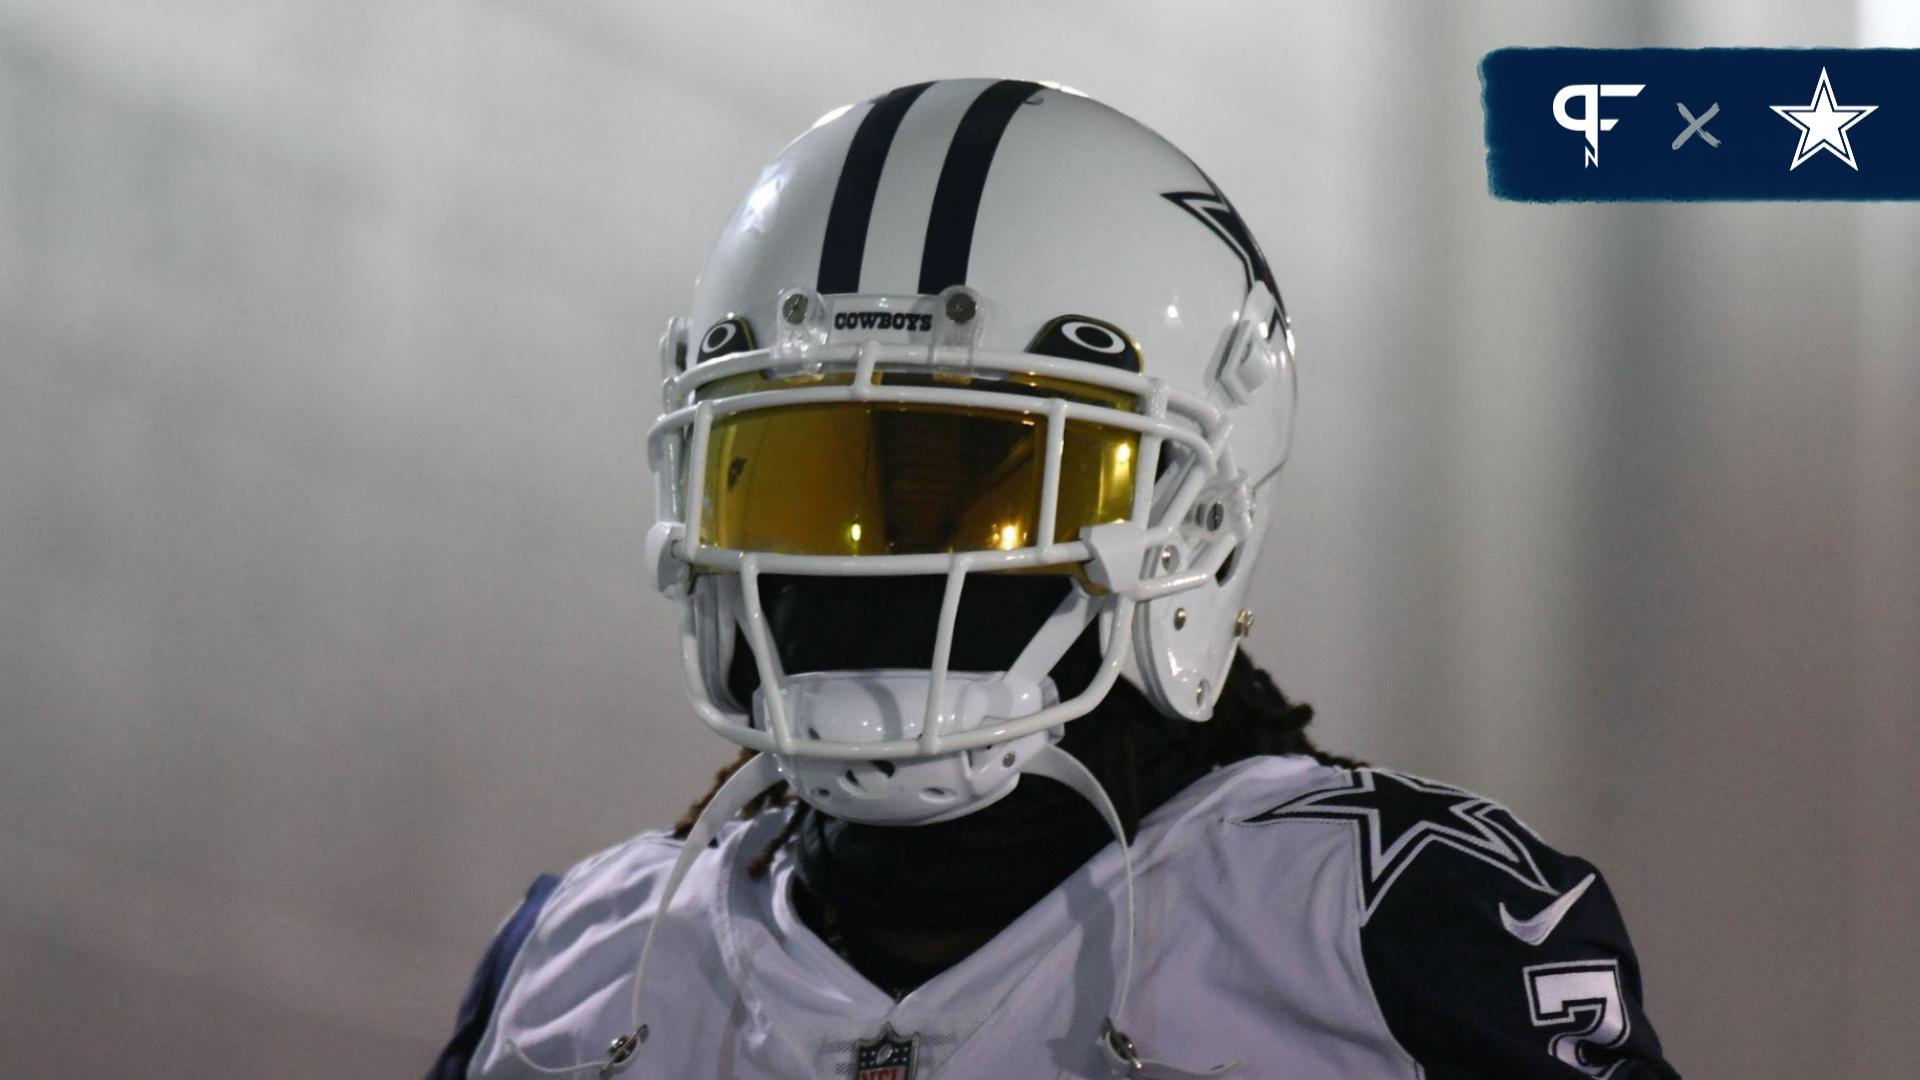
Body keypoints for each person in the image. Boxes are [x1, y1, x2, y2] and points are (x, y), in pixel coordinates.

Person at [428, 78, 1679, 1079]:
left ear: (1193, 516)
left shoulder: (1388, 927)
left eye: (980, 486)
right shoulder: (576, 973)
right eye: (802, 479)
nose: (880, 566)